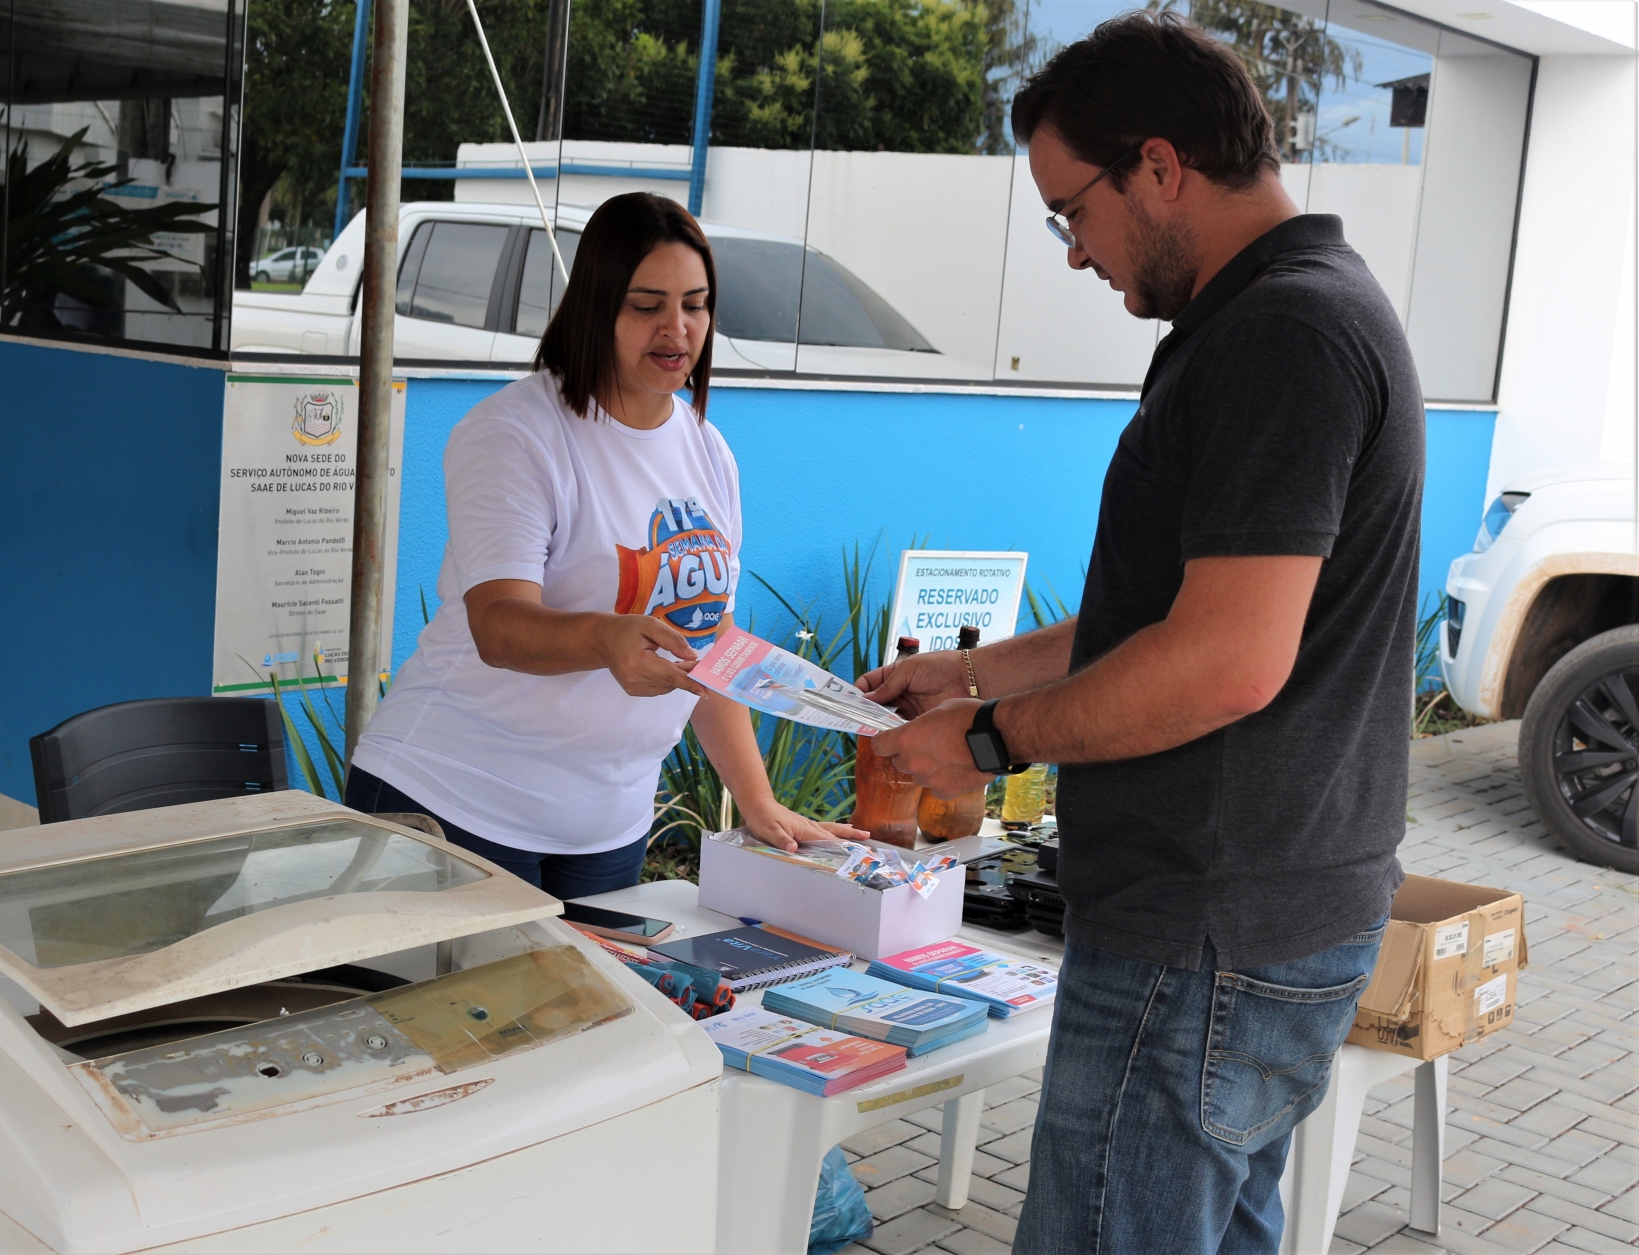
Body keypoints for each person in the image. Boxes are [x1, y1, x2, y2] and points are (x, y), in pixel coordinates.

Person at [857, 14, 1423, 1254]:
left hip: (1203, 933)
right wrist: (969, 671)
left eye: (1072, 211)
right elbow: (1170, 617)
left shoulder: (1281, 336)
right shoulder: (1270, 318)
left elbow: (1224, 662)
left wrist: (990, 739)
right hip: (1253, 919)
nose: (1073, 252)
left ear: (1158, 167)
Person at [345, 192, 861, 898]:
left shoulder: (709, 450)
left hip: (608, 829)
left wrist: (758, 799)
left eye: (696, 305)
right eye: (647, 305)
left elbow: (706, 641)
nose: (677, 329)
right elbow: (498, 625)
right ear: (596, 307)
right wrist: (605, 638)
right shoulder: (515, 434)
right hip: (454, 802)